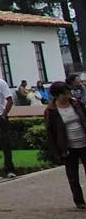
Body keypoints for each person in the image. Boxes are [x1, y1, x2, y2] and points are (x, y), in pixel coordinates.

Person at [45, 81, 86, 210]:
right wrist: (57, 150)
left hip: (84, 142)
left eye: (68, 92)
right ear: (57, 95)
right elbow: (50, 132)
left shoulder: (76, 104)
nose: (67, 96)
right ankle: (79, 201)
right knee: (73, 176)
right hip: (68, 147)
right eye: (64, 94)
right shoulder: (51, 111)